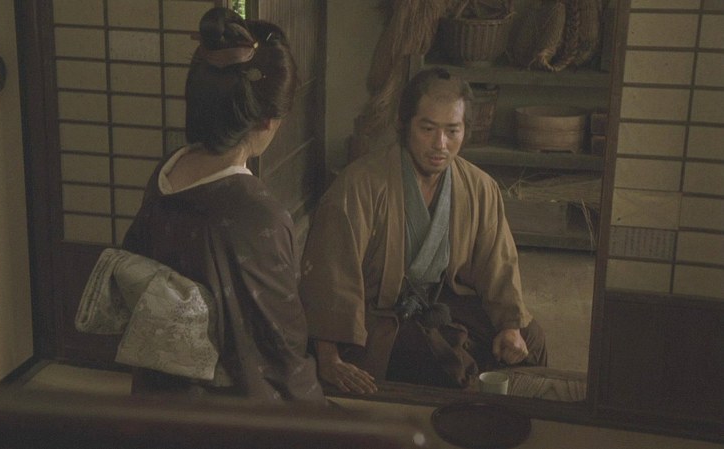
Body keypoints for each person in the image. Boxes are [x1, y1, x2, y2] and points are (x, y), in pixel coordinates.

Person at [299, 68, 547, 394]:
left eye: (452, 130)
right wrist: (328, 357)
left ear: (465, 130)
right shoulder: (359, 185)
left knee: (532, 339)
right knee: (447, 367)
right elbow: (331, 277)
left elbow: (498, 264)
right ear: (404, 125)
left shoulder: (479, 187)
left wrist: (510, 326)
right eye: (427, 129)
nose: (440, 144)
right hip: (382, 313)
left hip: (444, 300)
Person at [122, 7, 325, 404]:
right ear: (267, 120)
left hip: (156, 393)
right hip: (227, 409)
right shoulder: (257, 213)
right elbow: (281, 344)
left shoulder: (168, 170)